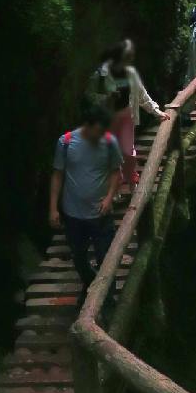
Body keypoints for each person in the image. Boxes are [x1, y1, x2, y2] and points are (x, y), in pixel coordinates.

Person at [48, 103, 124, 290]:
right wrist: (53, 208)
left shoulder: (108, 142)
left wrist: (109, 198)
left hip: (100, 213)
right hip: (73, 214)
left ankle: (108, 302)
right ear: (87, 125)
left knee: (106, 260)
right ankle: (91, 287)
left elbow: (116, 171)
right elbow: (57, 174)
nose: (99, 136)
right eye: (97, 131)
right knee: (79, 259)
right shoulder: (66, 142)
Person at [87, 39, 163, 188]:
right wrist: (107, 97)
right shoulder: (101, 74)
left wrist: (156, 111)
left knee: (128, 152)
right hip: (108, 117)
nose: (131, 59)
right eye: (129, 56)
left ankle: (131, 177)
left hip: (127, 114)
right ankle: (115, 185)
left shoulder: (131, 73)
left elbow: (142, 95)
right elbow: (90, 95)